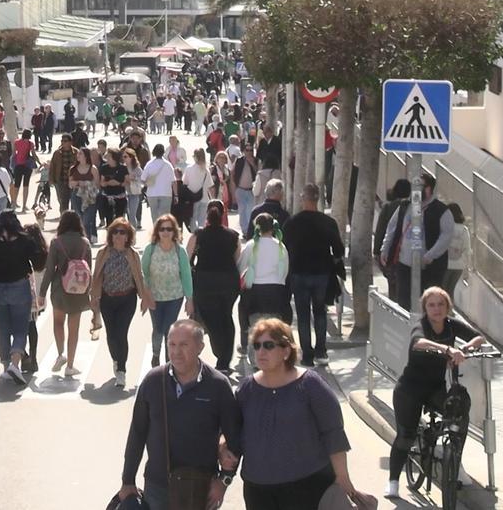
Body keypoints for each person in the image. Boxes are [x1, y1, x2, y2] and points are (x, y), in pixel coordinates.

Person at [228, 318, 366, 510]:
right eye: (257, 346)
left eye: (268, 345)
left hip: (307, 485)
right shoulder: (246, 389)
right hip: (258, 489)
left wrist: (342, 478)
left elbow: (333, 433)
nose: (261, 352)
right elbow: (235, 432)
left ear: (286, 350)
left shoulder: (310, 384)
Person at [118, 320, 241, 510]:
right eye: (172, 344)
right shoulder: (153, 381)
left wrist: (223, 482)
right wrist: (128, 480)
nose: (176, 352)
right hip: (158, 486)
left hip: (200, 487)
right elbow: (137, 432)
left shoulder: (218, 385)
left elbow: (234, 436)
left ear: (200, 347)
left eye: (184, 345)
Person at [385, 287, 486, 500]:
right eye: (431, 305)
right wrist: (448, 350)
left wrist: (465, 350)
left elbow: (479, 338)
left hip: (435, 388)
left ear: (448, 307)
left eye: (441, 304)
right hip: (410, 389)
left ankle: (454, 460)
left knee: (459, 408)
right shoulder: (420, 326)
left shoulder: (451, 325)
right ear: (425, 308)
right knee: (405, 436)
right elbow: (418, 343)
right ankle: (393, 480)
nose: (437, 309)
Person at [283, 183, 345, 367]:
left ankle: (307, 355)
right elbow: (339, 250)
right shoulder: (328, 223)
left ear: (303, 198)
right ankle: (321, 351)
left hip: (299, 273)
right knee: (320, 312)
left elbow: (283, 247)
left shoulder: (293, 223)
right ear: (318, 199)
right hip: (321, 273)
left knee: (302, 314)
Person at [0, 210, 44, 385]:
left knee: (2, 329)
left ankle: (5, 366)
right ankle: (15, 364)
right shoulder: (25, 239)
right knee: (20, 328)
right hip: (19, 286)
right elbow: (37, 260)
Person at [91, 218, 154, 388]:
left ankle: (122, 370)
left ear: (128, 236)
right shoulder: (103, 253)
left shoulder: (132, 254)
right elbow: (96, 276)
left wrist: (144, 298)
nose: (118, 236)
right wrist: (94, 298)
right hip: (107, 299)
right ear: (111, 235)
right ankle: (116, 359)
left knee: (121, 333)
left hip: (127, 299)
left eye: (122, 232)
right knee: (111, 335)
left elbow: (139, 277)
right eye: (115, 232)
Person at [379, 172, 454, 311]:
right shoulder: (405, 205)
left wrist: (430, 256)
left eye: (421, 186)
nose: (417, 190)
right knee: (403, 303)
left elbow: (446, 237)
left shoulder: (442, 211)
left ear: (430, 189)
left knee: (427, 305)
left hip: (429, 268)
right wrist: (385, 248)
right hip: (405, 264)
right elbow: (392, 227)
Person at [187, 201, 241, 374]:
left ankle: (220, 353)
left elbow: (187, 258)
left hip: (205, 282)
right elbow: (237, 260)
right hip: (228, 282)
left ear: (207, 216)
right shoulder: (233, 235)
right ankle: (224, 359)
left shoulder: (198, 235)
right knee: (226, 317)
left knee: (210, 319)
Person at [38, 211, 92, 377]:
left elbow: (49, 269)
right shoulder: (85, 243)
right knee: (74, 329)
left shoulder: (56, 242)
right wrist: (89, 292)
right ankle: (70, 365)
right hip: (79, 290)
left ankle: (60, 353)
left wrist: (42, 293)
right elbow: (89, 269)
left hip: (59, 288)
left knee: (58, 322)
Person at [142, 215, 194, 367]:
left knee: (168, 329)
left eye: (169, 229)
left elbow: (186, 275)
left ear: (174, 232)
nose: (165, 232)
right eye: (162, 229)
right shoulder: (150, 249)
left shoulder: (180, 251)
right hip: (154, 296)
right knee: (157, 328)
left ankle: (168, 361)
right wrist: (146, 295)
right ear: (157, 231)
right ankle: (155, 354)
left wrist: (189, 299)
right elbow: (143, 273)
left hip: (174, 297)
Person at [238, 213, 291, 357]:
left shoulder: (250, 245)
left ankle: (254, 355)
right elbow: (285, 270)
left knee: (255, 326)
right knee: (274, 327)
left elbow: (242, 267)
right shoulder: (281, 246)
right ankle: (273, 355)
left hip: (254, 291)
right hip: (276, 290)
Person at [373, 179, 412, 303]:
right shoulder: (414, 206)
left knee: (393, 285)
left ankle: (395, 310)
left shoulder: (389, 207)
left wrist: (377, 251)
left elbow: (381, 229)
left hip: (391, 253)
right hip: (408, 253)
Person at [443, 202, 472, 301]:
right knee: (450, 290)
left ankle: (443, 313)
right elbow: (467, 250)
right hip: (458, 266)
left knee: (442, 290)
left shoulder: (444, 228)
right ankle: (450, 310)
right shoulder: (464, 230)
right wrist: (464, 263)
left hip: (445, 264)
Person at [69, 147, 100, 240]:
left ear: (86, 156)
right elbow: (70, 184)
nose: (78, 156)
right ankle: (81, 239)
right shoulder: (73, 169)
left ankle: (87, 239)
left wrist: (86, 184)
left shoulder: (93, 168)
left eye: (80, 154)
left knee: (87, 219)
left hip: (90, 196)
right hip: (77, 195)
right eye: (78, 154)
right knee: (79, 218)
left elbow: (97, 184)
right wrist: (79, 183)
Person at [182, 149, 215, 234]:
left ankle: (195, 235)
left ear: (195, 157)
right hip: (204, 199)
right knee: (202, 220)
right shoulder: (206, 170)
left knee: (193, 218)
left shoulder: (189, 169)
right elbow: (210, 186)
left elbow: (185, 182)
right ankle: (201, 236)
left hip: (192, 199)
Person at [143, 144, 175, 224]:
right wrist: (176, 195)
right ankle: (164, 230)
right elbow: (173, 181)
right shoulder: (168, 165)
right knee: (165, 217)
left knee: (154, 216)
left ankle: (156, 231)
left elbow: (143, 179)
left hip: (152, 193)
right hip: (166, 193)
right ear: (163, 152)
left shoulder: (149, 164)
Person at [98, 149, 130, 227]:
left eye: (109, 156)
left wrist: (118, 183)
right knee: (109, 220)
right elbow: (101, 182)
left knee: (119, 219)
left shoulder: (123, 168)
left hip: (120, 196)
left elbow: (127, 182)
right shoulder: (104, 167)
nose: (107, 157)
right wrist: (108, 183)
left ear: (114, 157)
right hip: (107, 196)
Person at [253, 123, 283, 202]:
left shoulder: (277, 141)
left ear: (271, 132)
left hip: (275, 166)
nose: (265, 134)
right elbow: (259, 155)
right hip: (265, 166)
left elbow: (280, 154)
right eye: (264, 132)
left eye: (266, 132)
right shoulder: (262, 142)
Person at [48, 133, 77, 214]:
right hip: (61, 181)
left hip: (73, 181)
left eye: (65, 141)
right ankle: (64, 219)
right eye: (62, 141)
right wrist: (51, 179)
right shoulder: (57, 153)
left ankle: (74, 219)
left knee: (74, 202)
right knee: (63, 202)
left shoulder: (76, 152)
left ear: (71, 142)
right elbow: (52, 166)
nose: (63, 142)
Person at [10, 129, 38, 211]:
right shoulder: (30, 143)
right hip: (27, 166)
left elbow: (13, 154)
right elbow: (34, 154)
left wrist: (13, 164)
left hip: (18, 165)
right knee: (26, 185)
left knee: (16, 185)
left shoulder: (17, 142)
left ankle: (14, 204)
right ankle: (24, 206)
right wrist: (39, 162)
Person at [123, 148, 144, 230]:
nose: (124, 159)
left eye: (125, 156)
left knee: (131, 215)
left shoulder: (137, 168)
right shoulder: (122, 168)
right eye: (123, 157)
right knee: (123, 215)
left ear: (131, 157)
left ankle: (133, 233)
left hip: (134, 193)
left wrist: (133, 178)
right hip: (123, 193)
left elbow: (142, 180)